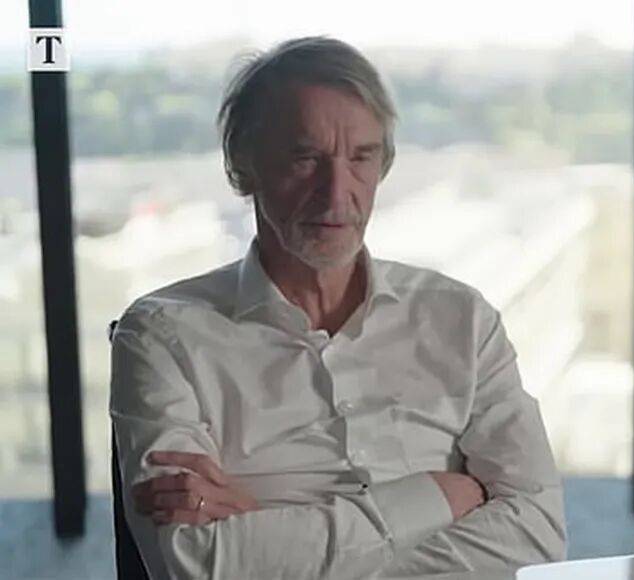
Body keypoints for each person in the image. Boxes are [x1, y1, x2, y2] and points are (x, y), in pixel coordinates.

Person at [109, 36, 566, 580]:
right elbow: (194, 563)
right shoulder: (162, 334)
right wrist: (434, 498)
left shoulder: (462, 320)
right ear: (244, 165)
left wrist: (271, 541)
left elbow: (538, 535)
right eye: (305, 158)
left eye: (362, 157)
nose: (336, 193)